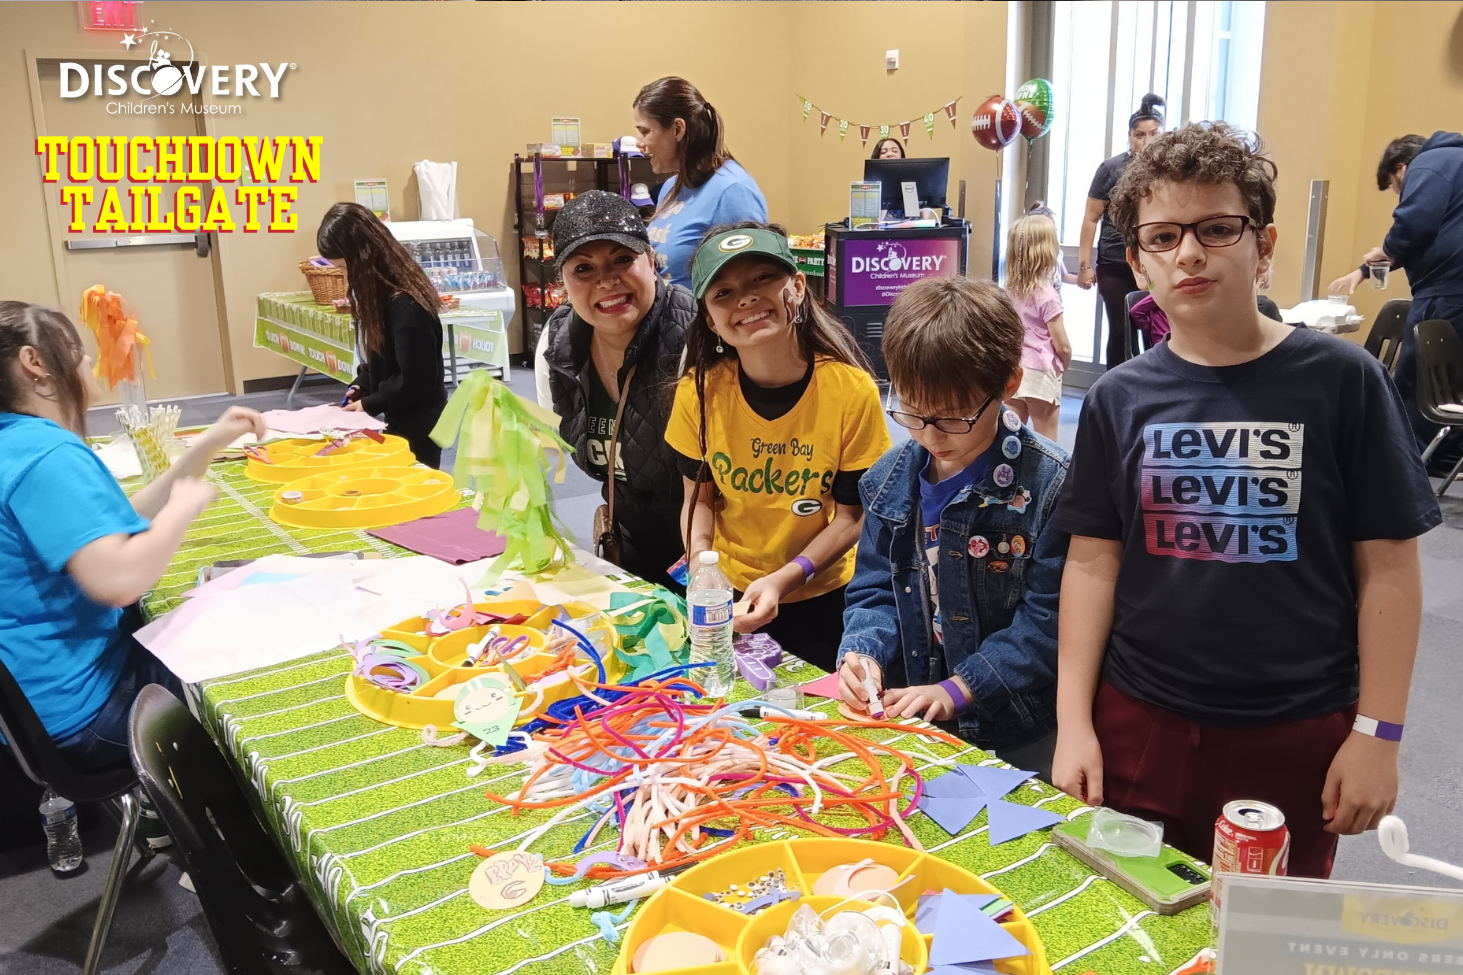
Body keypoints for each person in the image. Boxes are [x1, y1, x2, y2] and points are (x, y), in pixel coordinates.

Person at [1050, 123, 1441, 878]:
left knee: (1261, 937)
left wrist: (1378, 732)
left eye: (1215, 229)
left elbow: (1389, 568)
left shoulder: (1340, 382)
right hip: (1139, 721)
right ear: (1135, 261)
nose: (1188, 253)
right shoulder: (1118, 399)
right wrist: (1074, 722)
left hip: (1294, 727)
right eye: (1162, 237)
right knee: (1129, 927)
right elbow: (1093, 562)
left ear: (1261, 246)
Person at [0, 301, 268, 771]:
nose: (86, 363)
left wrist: (207, 444)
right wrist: (183, 510)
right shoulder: (46, 453)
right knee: (252, 658)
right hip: (82, 713)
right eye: (77, 352)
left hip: (31, 708)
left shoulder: (16, 442)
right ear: (34, 363)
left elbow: (118, 520)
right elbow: (119, 579)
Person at [836, 277, 1069, 779]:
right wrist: (864, 656)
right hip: (915, 711)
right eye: (912, 414)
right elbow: (874, 590)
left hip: (1016, 725)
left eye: (953, 418)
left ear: (1008, 384)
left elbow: (1047, 624)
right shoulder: (888, 479)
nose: (930, 435)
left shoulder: (1051, 484)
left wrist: (959, 689)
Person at [666, 223, 891, 672]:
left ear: (798, 288)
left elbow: (851, 518)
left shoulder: (851, 391)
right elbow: (699, 500)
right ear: (710, 319)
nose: (746, 299)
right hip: (726, 590)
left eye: (762, 278)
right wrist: (700, 570)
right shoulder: (698, 392)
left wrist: (785, 579)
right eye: (724, 292)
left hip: (820, 592)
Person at [542, 191, 694, 590]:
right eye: (583, 268)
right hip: (628, 542)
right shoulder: (557, 346)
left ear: (651, 259)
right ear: (563, 282)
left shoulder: (695, 336)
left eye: (622, 260)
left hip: (713, 549)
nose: (606, 281)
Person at [1328, 131, 1463, 476]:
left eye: (1394, 188)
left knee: (1420, 380)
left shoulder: (1431, 163)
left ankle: (1403, 467)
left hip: (1447, 290)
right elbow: (1426, 236)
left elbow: (1415, 223)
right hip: (1452, 287)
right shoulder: (1455, 163)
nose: (1399, 197)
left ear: (1401, 168)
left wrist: (1386, 248)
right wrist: (1361, 272)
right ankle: (1444, 461)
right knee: (1454, 382)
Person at [317, 202, 447, 468]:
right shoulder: (382, 297)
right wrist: (363, 383)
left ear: (363, 258)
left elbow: (416, 380)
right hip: (401, 411)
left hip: (419, 417)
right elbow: (382, 355)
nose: (344, 277)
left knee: (415, 485)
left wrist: (371, 403)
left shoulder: (407, 306)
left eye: (344, 268)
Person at [635, 77, 769, 292]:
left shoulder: (732, 191)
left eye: (645, 132)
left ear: (678, 129)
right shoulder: (670, 188)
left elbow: (754, 285)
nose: (639, 143)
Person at [1078, 93, 1164, 369]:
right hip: (1115, 264)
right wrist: (1084, 266)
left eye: (1154, 134)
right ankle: (1116, 391)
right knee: (1120, 329)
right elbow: (1091, 218)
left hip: (1154, 262)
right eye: (1140, 135)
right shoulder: (1111, 169)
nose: (1147, 141)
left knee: (1156, 329)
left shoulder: (1168, 170)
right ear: (1130, 135)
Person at [1005, 213, 1073, 439]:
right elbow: (1061, 344)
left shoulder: (1009, 292)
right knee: (1046, 438)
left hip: (1014, 367)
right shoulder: (1047, 295)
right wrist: (1064, 364)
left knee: (1011, 435)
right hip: (1041, 372)